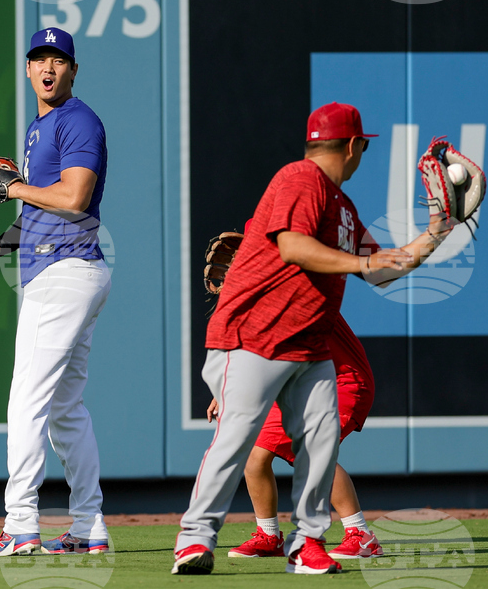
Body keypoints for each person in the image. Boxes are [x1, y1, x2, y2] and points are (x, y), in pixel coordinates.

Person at [172, 102, 453, 575]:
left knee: (320, 444)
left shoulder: (342, 206)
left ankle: (306, 546)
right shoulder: (300, 179)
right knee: (238, 440)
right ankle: (194, 541)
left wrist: (435, 233)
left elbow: (382, 270)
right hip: (255, 337)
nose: (363, 153)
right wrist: (363, 264)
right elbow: (293, 247)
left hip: (307, 346)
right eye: (363, 146)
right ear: (352, 145)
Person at [0, 27, 111, 557]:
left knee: (27, 400)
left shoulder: (78, 120)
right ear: (27, 69)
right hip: (60, 271)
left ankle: (21, 523)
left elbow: (73, 197)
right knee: (66, 410)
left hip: (66, 271)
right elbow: (34, 210)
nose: (49, 67)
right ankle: (90, 526)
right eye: (40, 58)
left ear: (73, 70)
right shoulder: (38, 126)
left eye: (59, 59)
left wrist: (14, 187)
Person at [208, 312, 383, 560]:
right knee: (255, 457)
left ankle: (362, 537)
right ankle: (268, 536)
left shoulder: (294, 293)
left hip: (341, 381)